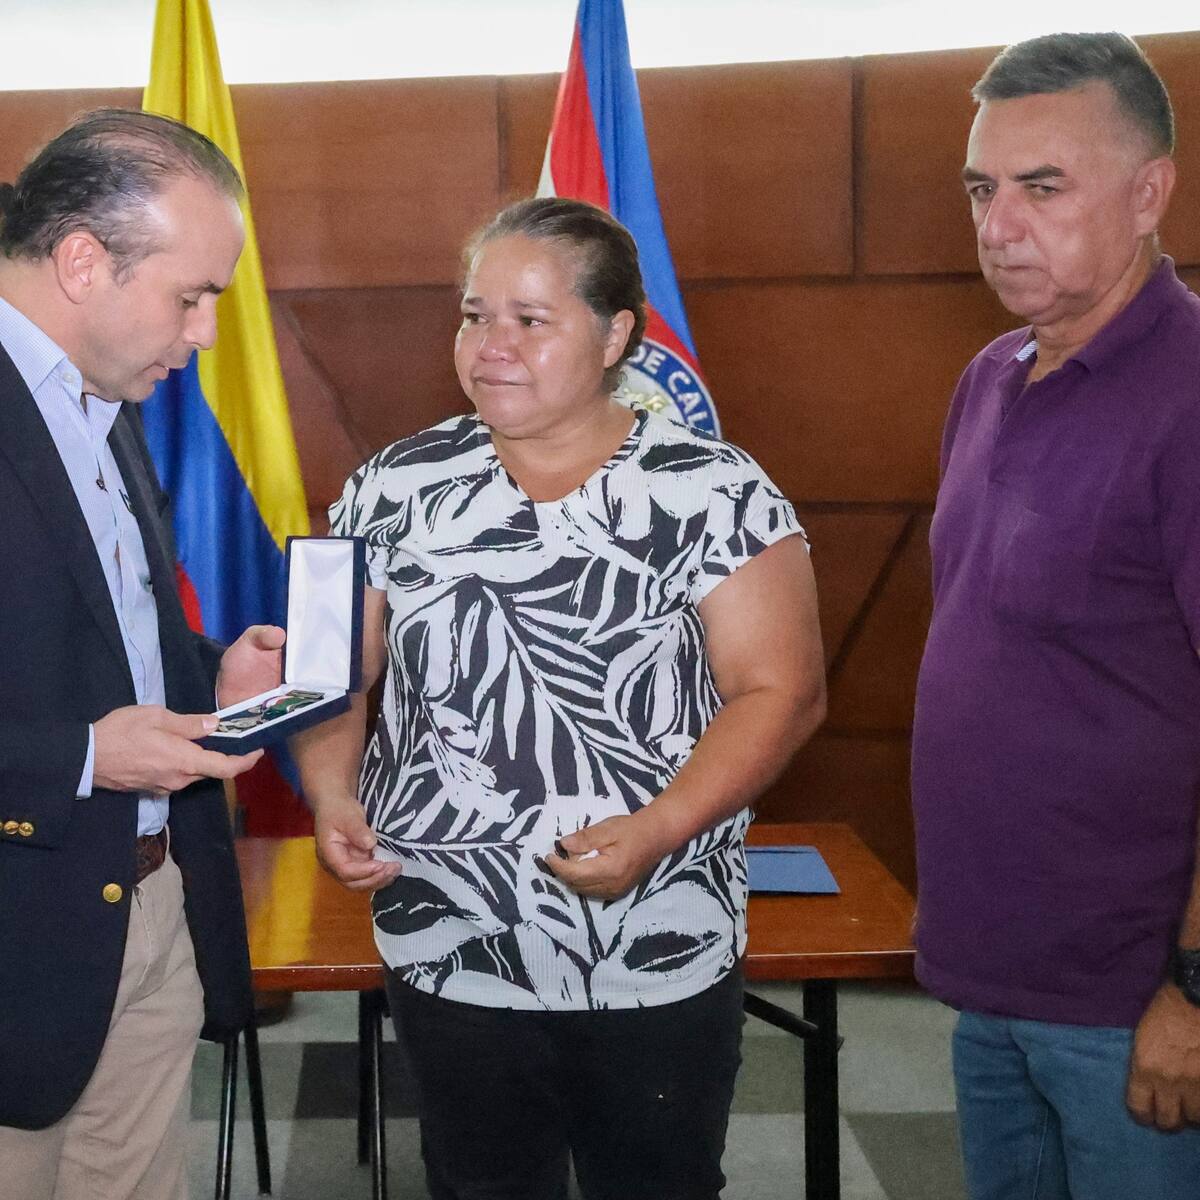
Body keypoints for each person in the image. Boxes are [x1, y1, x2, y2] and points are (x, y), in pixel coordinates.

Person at [295, 196, 826, 1199]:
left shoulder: (712, 488)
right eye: (472, 315)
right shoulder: (389, 487)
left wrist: (661, 826)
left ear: (618, 332)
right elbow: (328, 677)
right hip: (450, 934)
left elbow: (783, 692)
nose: (489, 347)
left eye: (529, 320)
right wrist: (331, 795)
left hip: (655, 934)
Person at [912, 32, 1200, 1199]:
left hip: (1136, 1001)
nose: (998, 224)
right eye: (983, 189)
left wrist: (1193, 981)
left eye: (1042, 187)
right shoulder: (990, 378)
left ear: (1148, 193)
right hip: (994, 976)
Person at [0, 109, 285, 1200]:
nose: (208, 332)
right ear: (83, 260)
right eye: (193, 294)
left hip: (149, 913)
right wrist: (83, 759)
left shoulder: (108, 399)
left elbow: (99, 635)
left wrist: (208, 676)